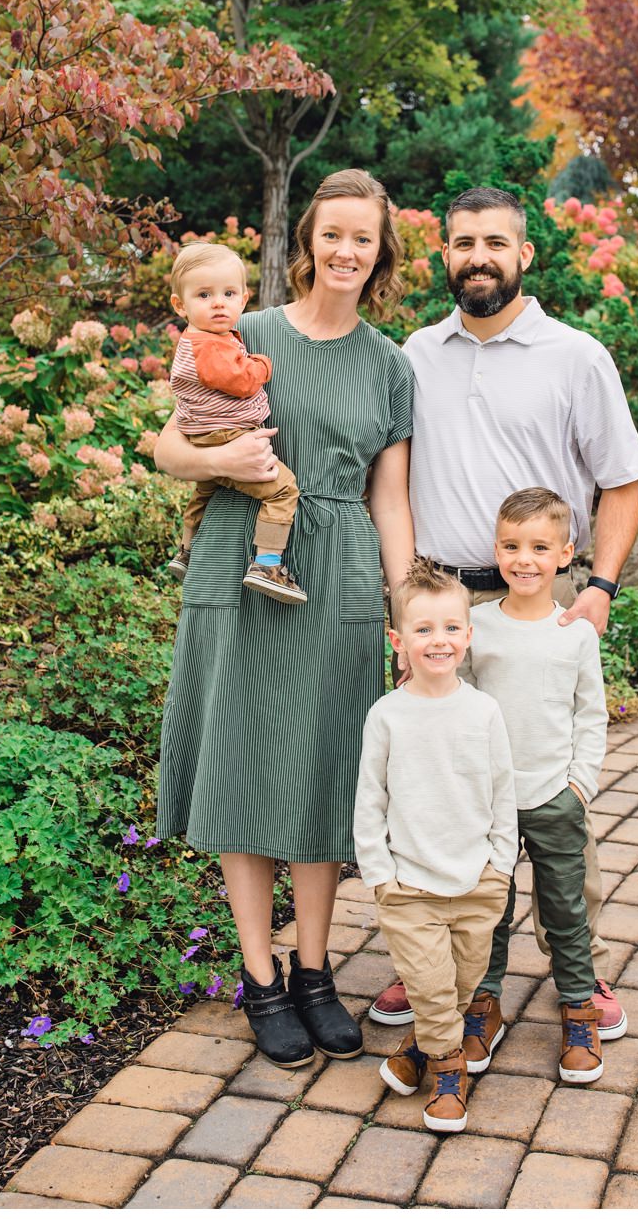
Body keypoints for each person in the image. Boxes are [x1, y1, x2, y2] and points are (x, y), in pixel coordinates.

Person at [366, 185, 638, 1041]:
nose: (478, 255)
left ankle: (578, 962)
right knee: (440, 785)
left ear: (526, 255)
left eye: (495, 241)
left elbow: (623, 480)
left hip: (540, 597)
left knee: (549, 793)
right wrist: (405, 600)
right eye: (462, 242)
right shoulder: (414, 354)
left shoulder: (576, 356)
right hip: (443, 604)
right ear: (444, 255)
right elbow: (393, 479)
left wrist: (596, 587)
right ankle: (437, 958)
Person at [153, 168, 415, 1067]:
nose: (346, 250)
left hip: (338, 576)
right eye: (332, 233)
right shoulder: (243, 331)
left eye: (364, 238)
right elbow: (165, 448)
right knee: (243, 762)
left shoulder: (390, 363)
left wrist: (403, 604)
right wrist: (230, 465)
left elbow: (392, 497)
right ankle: (260, 977)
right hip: (241, 558)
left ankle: (314, 971)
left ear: (381, 254)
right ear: (306, 243)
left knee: (323, 773)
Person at [356, 559, 516, 1133]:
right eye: (423, 630)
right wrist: (380, 873)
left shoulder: (484, 711)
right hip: (410, 886)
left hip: (477, 882)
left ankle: (421, 1049)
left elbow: (503, 794)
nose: (438, 640)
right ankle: (450, 1073)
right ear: (398, 642)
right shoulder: (388, 716)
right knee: (427, 982)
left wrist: (499, 866)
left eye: (450, 627)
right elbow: (369, 800)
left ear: (468, 637)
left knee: (459, 985)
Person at [458, 487, 609, 1086]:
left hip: (553, 795)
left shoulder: (574, 632)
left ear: (565, 553)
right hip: (489, 800)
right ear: (495, 549)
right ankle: (484, 1003)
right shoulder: (475, 625)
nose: (524, 559)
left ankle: (577, 1009)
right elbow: (458, 705)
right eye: (512, 546)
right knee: (489, 908)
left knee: (566, 908)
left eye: (540, 547)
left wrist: (580, 785)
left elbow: (589, 715)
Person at [161, 242, 305, 602]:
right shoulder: (207, 345)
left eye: (228, 293)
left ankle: (187, 549)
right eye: (204, 295)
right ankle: (268, 563)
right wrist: (263, 365)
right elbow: (241, 380)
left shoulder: (206, 338)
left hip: (205, 434)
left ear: (244, 298)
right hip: (226, 435)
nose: (218, 303)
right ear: (180, 305)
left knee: (205, 490)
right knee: (283, 488)